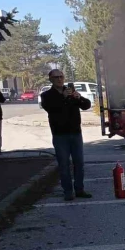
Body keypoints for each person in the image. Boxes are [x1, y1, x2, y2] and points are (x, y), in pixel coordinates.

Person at [40, 70, 92, 201]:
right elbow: (51, 108)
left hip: (75, 133)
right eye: (56, 77)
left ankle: (79, 189)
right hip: (59, 134)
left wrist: (78, 97)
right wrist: (62, 97)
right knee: (63, 164)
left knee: (79, 163)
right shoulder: (47, 95)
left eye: (61, 77)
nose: (59, 79)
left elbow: (86, 105)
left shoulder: (70, 92)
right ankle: (68, 191)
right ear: (50, 79)